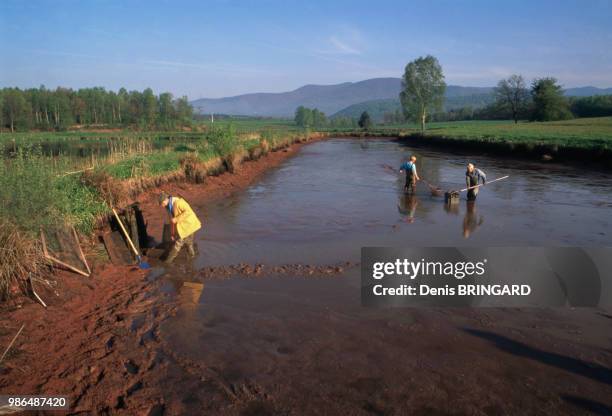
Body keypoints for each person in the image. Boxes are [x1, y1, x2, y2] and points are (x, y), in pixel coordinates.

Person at [159, 192, 202, 264]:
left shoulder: (179, 202)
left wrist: (176, 219)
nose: (162, 206)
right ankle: (192, 258)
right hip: (186, 226)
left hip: (189, 225)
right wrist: (172, 234)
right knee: (189, 243)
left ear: (166, 199)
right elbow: (171, 222)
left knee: (177, 245)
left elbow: (188, 212)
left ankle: (167, 262)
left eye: (162, 203)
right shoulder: (168, 208)